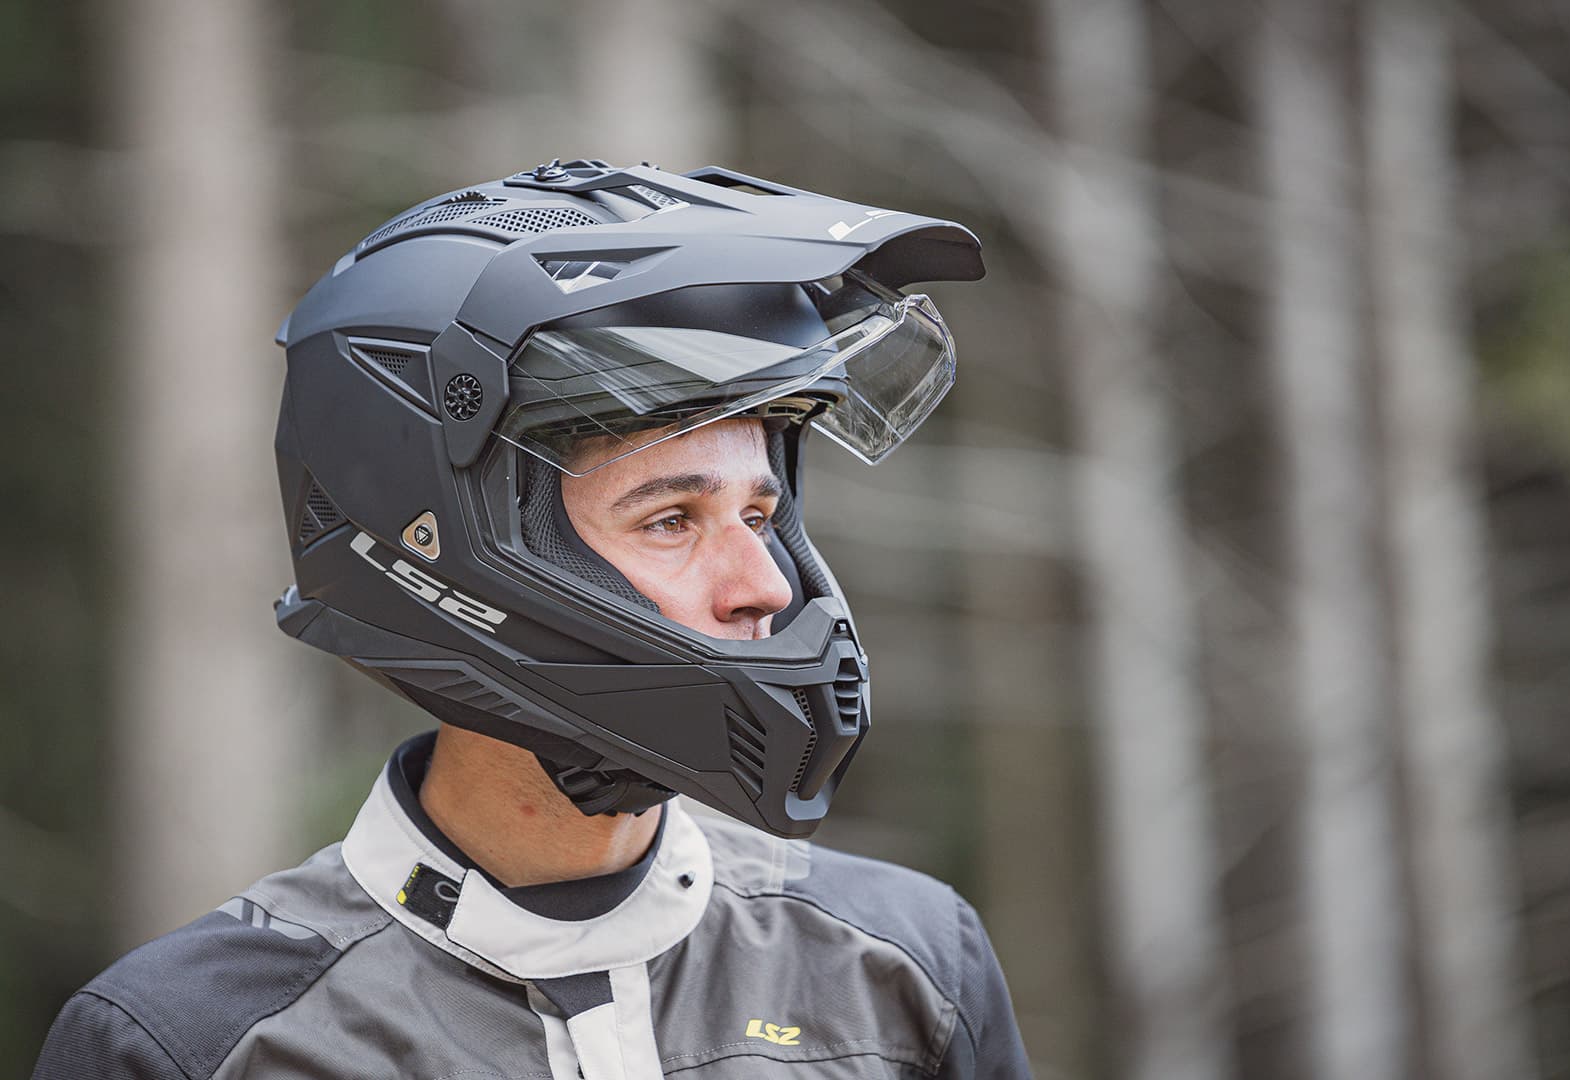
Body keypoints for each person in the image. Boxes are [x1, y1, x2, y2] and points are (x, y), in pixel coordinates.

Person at [33, 159, 1031, 1079]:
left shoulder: (903, 967)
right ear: (436, 541)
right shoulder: (194, 1043)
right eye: (672, 520)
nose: (765, 586)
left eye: (761, 517)